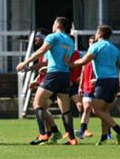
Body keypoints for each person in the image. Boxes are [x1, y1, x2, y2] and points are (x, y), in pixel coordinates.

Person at [16, 17, 78, 145]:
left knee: (37, 103)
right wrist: (35, 68)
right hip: (64, 75)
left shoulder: (52, 37)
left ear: (57, 25)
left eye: (54, 23)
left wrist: (25, 62)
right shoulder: (70, 41)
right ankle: (72, 138)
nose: (52, 25)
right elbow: (56, 59)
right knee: (65, 109)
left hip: (54, 74)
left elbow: (41, 51)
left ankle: (43, 135)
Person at [68, 25, 120, 145]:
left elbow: (84, 61)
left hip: (103, 81)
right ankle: (104, 138)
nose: (95, 34)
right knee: (105, 111)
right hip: (114, 80)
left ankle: (119, 130)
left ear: (99, 34)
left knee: (97, 110)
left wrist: (69, 63)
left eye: (96, 32)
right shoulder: (114, 48)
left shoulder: (96, 46)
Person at [74, 36, 97, 139]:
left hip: (97, 86)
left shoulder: (98, 56)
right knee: (86, 108)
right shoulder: (85, 56)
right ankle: (82, 131)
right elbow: (83, 72)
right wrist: (80, 86)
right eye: (90, 42)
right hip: (86, 87)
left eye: (94, 42)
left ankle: (109, 131)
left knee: (98, 111)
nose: (91, 44)